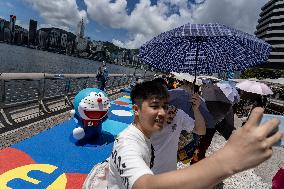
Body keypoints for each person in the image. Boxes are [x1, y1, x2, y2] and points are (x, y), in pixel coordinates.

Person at [108, 80, 283, 189]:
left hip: (168, 175)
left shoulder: (176, 114)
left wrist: (196, 109)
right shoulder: (126, 142)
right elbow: (144, 185)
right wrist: (229, 160)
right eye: (155, 106)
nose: (162, 112)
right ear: (136, 110)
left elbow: (200, 130)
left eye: (165, 104)